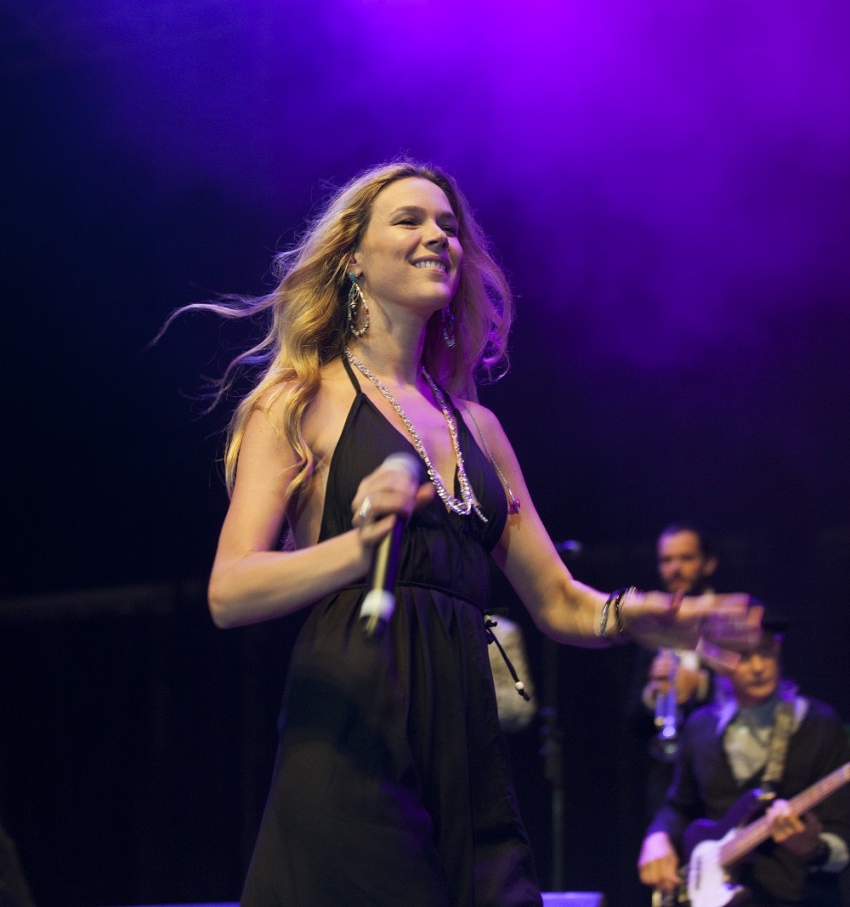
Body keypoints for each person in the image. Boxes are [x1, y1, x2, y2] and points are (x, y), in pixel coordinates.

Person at [182, 160, 759, 907]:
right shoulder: (297, 402)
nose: (438, 237)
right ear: (352, 258)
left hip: (466, 747)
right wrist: (360, 548)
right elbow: (230, 592)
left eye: (449, 226)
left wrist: (635, 616)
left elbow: (559, 602)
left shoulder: (478, 428)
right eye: (410, 220)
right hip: (354, 737)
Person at [637, 616, 850, 907]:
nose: (759, 667)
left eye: (766, 653)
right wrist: (657, 837)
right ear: (719, 662)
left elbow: (842, 834)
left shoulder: (819, 725)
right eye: (744, 657)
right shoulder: (701, 726)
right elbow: (679, 806)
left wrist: (814, 849)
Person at [628, 523, 720, 818]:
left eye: (686, 558)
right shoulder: (648, 624)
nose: (675, 568)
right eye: (666, 560)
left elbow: (756, 690)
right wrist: (652, 694)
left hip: (721, 775)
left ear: (708, 563)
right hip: (666, 778)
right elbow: (631, 717)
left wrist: (701, 686)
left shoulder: (725, 617)